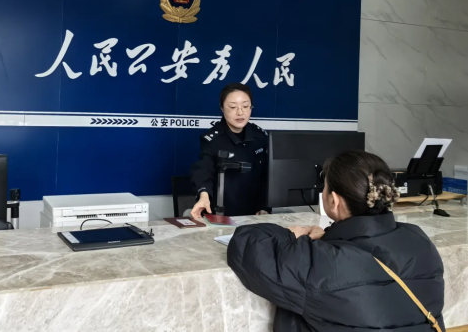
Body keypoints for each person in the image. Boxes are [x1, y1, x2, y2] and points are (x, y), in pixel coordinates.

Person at [227, 150, 445, 332]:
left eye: (324, 187)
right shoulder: (419, 240)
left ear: (335, 201)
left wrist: (293, 235)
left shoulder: (322, 262)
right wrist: (329, 236)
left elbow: (246, 242)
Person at [190, 83, 269, 218]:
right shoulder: (212, 139)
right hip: (222, 216)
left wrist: (264, 207)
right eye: (233, 107)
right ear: (222, 108)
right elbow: (203, 170)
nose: (240, 112)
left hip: (255, 216)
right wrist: (203, 195)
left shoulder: (260, 137)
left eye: (245, 106)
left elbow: (267, 177)